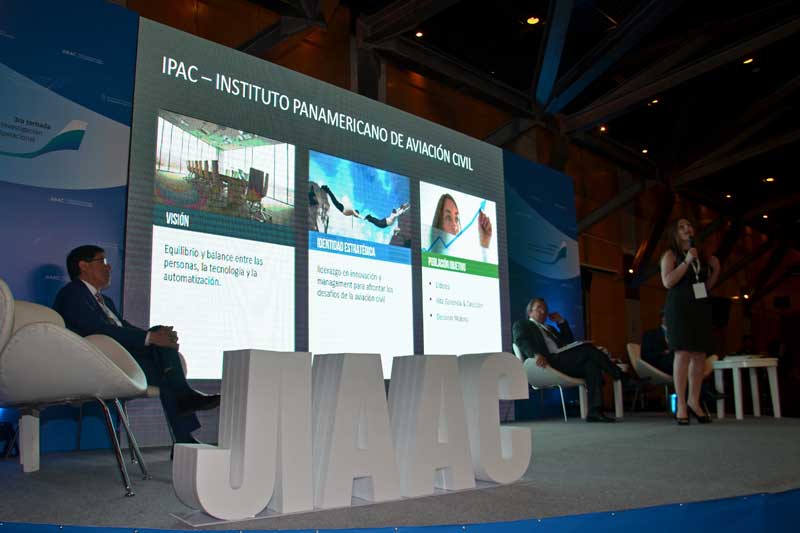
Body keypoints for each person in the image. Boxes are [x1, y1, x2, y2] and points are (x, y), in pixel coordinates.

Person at [53, 245, 220, 443]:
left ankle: (184, 437)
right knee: (165, 369)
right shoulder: (72, 293)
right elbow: (97, 329)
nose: (109, 267)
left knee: (165, 367)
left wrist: (159, 337)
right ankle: (185, 408)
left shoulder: (105, 301)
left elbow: (125, 328)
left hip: (122, 360)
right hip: (99, 363)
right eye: (103, 261)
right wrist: (151, 338)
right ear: (84, 265)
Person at [512, 297, 632, 422]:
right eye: (539, 308)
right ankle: (621, 376)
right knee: (588, 348)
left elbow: (568, 341)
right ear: (530, 312)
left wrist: (561, 321)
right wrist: (535, 354)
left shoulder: (550, 328)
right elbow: (521, 340)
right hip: (547, 362)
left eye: (545, 309)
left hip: (562, 360)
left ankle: (594, 412)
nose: (543, 311)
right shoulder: (522, 324)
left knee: (591, 365)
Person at [660, 218, 721, 425]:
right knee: (683, 353)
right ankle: (682, 405)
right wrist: (686, 261)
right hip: (679, 308)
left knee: (699, 355)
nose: (687, 229)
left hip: (700, 308)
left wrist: (716, 271)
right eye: (682, 227)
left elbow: (705, 286)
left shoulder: (701, 257)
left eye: (689, 225)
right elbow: (667, 282)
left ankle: (694, 401)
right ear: (675, 233)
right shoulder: (671, 255)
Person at [641, 310, 725, 405]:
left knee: (694, 356)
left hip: (681, 362)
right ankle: (704, 391)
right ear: (663, 318)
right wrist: (665, 353)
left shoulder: (680, 334)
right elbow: (646, 354)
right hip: (660, 364)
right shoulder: (650, 334)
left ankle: (699, 394)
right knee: (680, 357)